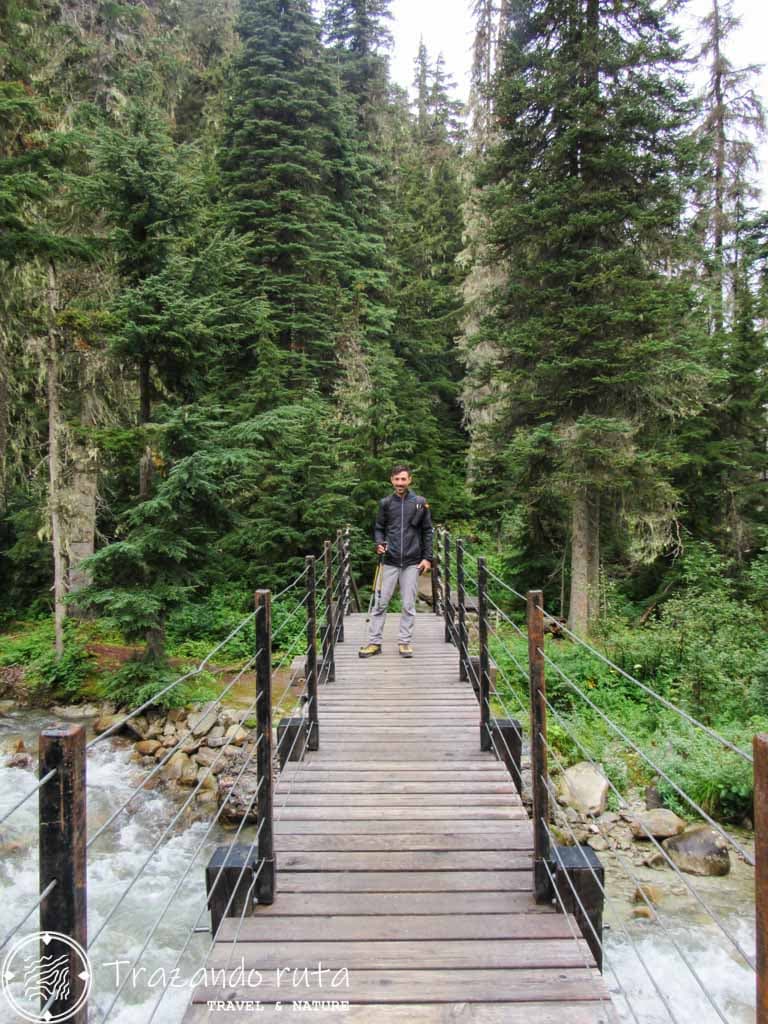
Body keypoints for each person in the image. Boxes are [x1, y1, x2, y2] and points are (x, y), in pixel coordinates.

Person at [358, 465, 434, 659]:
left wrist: (427, 558)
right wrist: (378, 543)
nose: (400, 483)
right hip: (389, 561)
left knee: (408, 604)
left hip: (412, 561)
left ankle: (404, 642)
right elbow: (379, 528)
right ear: (391, 480)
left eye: (403, 479)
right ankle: (374, 643)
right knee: (380, 602)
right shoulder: (385, 503)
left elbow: (427, 531)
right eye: (397, 479)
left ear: (410, 480)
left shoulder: (420, 503)